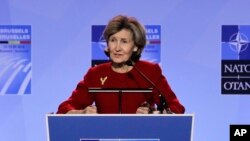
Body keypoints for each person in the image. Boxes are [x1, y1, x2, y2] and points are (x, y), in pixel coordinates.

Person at [56, 15, 185, 114]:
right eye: (113, 40)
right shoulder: (95, 74)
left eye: (124, 41)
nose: (117, 48)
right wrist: (81, 113)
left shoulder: (150, 72)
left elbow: (176, 108)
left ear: (135, 46)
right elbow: (65, 108)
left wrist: (153, 114)